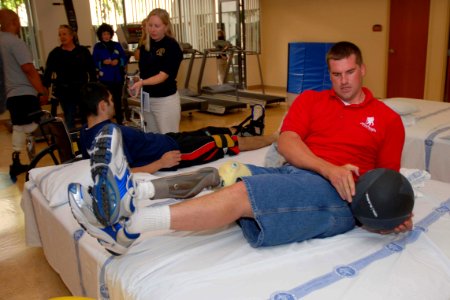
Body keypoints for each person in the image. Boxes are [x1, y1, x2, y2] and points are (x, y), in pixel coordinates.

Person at [70, 41, 412, 256]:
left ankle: (130, 227)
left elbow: (388, 182)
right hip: (301, 174)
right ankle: (136, 191)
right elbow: (288, 141)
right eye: (336, 74)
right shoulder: (311, 100)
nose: (344, 81)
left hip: (339, 195)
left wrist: (394, 215)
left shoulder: (387, 120)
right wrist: (326, 166)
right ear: (329, 74)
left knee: (241, 195)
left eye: (350, 72)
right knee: (221, 175)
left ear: (363, 69)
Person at [79, 82, 275, 174]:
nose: (114, 104)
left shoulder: (85, 134)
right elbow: (122, 173)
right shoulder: (111, 136)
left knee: (209, 130)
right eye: (111, 101)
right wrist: (160, 164)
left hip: (167, 139)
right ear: (102, 106)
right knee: (224, 142)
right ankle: (273, 138)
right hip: (176, 153)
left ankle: (249, 129)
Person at [0, 9, 49, 182]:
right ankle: (32, 163)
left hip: (10, 94)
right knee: (29, 128)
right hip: (23, 92)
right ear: (14, 21)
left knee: (19, 127)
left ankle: (17, 161)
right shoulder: (15, 42)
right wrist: (42, 91)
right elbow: (28, 69)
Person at [129, 8, 183, 134]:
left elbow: (162, 76)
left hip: (165, 100)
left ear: (165, 26)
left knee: (168, 140)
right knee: (151, 138)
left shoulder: (172, 46)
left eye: (157, 26)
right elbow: (146, 72)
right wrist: (138, 80)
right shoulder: (145, 45)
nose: (152, 29)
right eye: (150, 25)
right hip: (147, 98)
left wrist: (142, 83)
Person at [43, 24, 97, 130]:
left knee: (86, 118)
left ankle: (87, 141)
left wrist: (92, 87)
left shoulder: (82, 51)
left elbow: (91, 71)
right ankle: (72, 144)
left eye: (64, 34)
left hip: (82, 89)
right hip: (65, 91)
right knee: (69, 118)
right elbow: (48, 73)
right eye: (60, 35)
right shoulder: (55, 53)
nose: (62, 37)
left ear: (72, 36)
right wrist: (44, 90)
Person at [93, 23, 128, 125]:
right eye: (104, 34)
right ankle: (105, 122)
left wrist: (118, 61)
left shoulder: (116, 45)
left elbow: (124, 58)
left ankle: (120, 122)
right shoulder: (98, 47)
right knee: (105, 101)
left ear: (111, 34)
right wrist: (102, 62)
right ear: (100, 35)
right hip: (105, 79)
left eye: (108, 34)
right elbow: (94, 61)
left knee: (117, 100)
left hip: (117, 78)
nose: (106, 36)